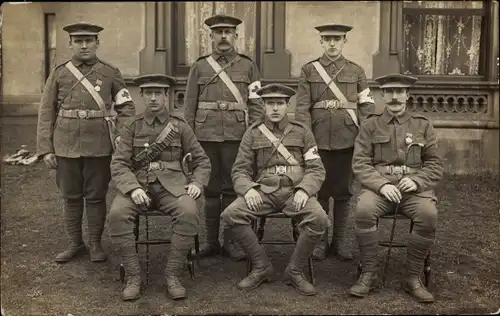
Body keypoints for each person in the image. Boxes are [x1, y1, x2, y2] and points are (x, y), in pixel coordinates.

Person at [36, 22, 135, 263]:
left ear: (97, 43)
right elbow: (46, 110)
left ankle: (95, 244)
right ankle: (74, 244)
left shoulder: (110, 72)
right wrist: (45, 148)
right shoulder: (59, 72)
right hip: (65, 145)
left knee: (95, 195)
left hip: (99, 144)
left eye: (88, 40)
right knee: (70, 196)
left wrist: (123, 136)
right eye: (78, 41)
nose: (83, 45)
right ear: (70, 44)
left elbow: (127, 108)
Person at [107, 74, 211, 301]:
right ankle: (133, 277)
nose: (153, 98)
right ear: (142, 96)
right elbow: (119, 163)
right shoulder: (131, 126)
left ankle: (172, 275)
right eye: (149, 93)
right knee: (117, 213)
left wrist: (196, 182)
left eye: (158, 93)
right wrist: (132, 188)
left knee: (188, 211)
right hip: (138, 185)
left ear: (167, 96)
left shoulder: (180, 126)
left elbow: (202, 161)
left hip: (172, 187)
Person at [221, 83, 328, 296]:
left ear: (288, 104)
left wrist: (305, 190)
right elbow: (240, 170)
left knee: (319, 219)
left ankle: (295, 270)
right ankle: (261, 266)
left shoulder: (302, 131)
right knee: (231, 214)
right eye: (271, 103)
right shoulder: (252, 133)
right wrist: (249, 188)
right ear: (263, 106)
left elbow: (316, 169)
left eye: (280, 103)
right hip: (264, 192)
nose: (276, 108)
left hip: (294, 191)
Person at [349, 73, 444, 303]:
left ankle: (412, 278)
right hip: (379, 190)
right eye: (389, 92)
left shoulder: (422, 125)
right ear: (382, 95)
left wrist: (417, 181)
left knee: (428, 215)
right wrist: (381, 185)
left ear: (407, 95)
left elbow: (435, 163)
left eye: (399, 92)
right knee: (363, 210)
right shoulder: (370, 125)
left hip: (413, 190)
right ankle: (368, 273)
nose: (394, 97)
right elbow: (360, 163)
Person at [184, 14, 263, 261]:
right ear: (211, 37)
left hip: (236, 135)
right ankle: (210, 243)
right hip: (205, 136)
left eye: (228, 32)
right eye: (218, 33)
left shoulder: (248, 66)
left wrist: (257, 134)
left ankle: (230, 242)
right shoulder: (200, 66)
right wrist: (188, 139)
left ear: (236, 36)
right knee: (208, 188)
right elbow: (189, 106)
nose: (223, 37)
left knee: (232, 186)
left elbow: (257, 104)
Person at [295, 24, 375, 260]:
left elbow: (366, 107)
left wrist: (364, 138)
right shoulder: (309, 70)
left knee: (343, 193)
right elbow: (301, 109)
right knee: (318, 192)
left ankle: (339, 243)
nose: (332, 43)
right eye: (327, 39)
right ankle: (319, 242)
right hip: (317, 141)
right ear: (321, 41)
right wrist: (306, 141)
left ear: (344, 42)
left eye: (337, 39)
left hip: (347, 140)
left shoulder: (356, 71)